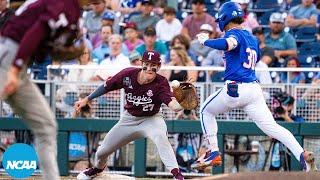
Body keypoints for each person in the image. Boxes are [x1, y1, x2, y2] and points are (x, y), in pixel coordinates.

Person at [191, 1, 316, 172]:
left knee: (205, 110)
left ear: (224, 18)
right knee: (272, 128)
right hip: (253, 89)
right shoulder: (253, 38)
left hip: (235, 88)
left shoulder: (235, 34)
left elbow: (230, 43)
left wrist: (207, 41)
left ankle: (213, 151)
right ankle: (301, 154)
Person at [0, 0, 91, 179]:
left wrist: (55, 49)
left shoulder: (74, 10)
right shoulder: (64, 3)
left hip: (20, 66)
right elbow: (37, 30)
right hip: (8, 59)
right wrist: (15, 68)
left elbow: (40, 49)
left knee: (47, 126)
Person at [75, 50, 185, 180]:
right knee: (102, 151)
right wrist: (87, 99)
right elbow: (106, 86)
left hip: (152, 119)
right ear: (141, 63)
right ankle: (96, 169)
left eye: (153, 65)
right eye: (147, 64)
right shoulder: (128, 74)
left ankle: (177, 175)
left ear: (159, 67)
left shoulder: (161, 82)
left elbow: (173, 106)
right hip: (129, 119)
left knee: (161, 138)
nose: (150, 68)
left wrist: (184, 102)